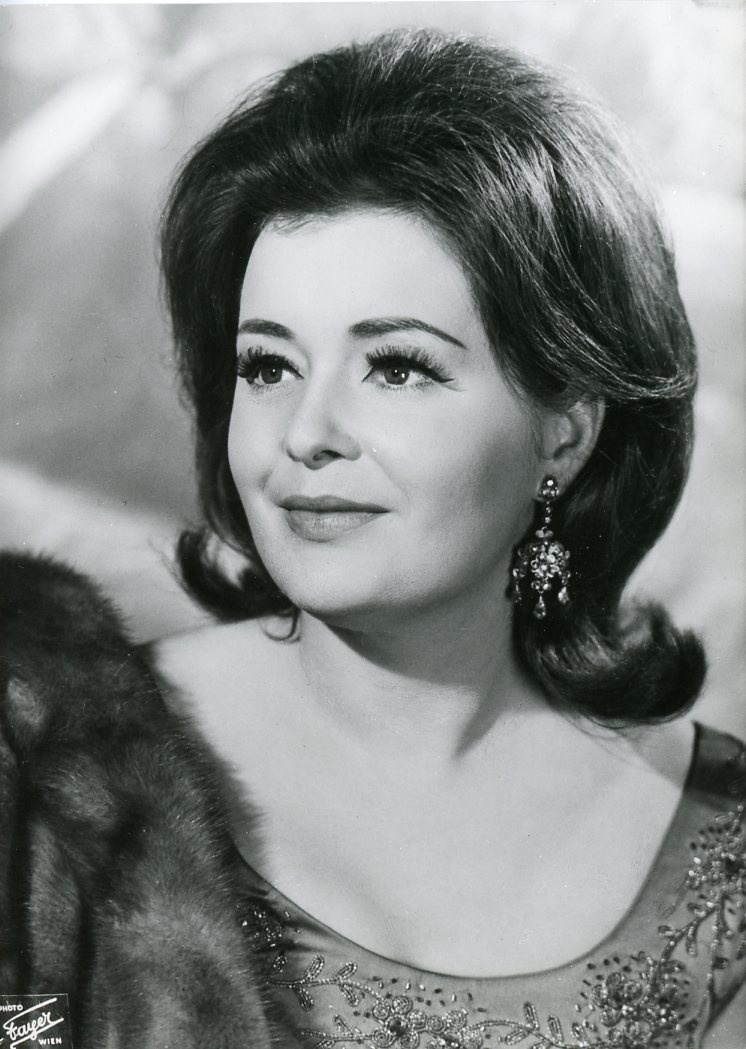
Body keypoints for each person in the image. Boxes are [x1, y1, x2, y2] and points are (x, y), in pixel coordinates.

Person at [1, 26, 744, 1049]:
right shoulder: (46, 754)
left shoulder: (718, 848)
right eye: (267, 366)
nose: (305, 434)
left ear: (564, 433)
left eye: (395, 366)